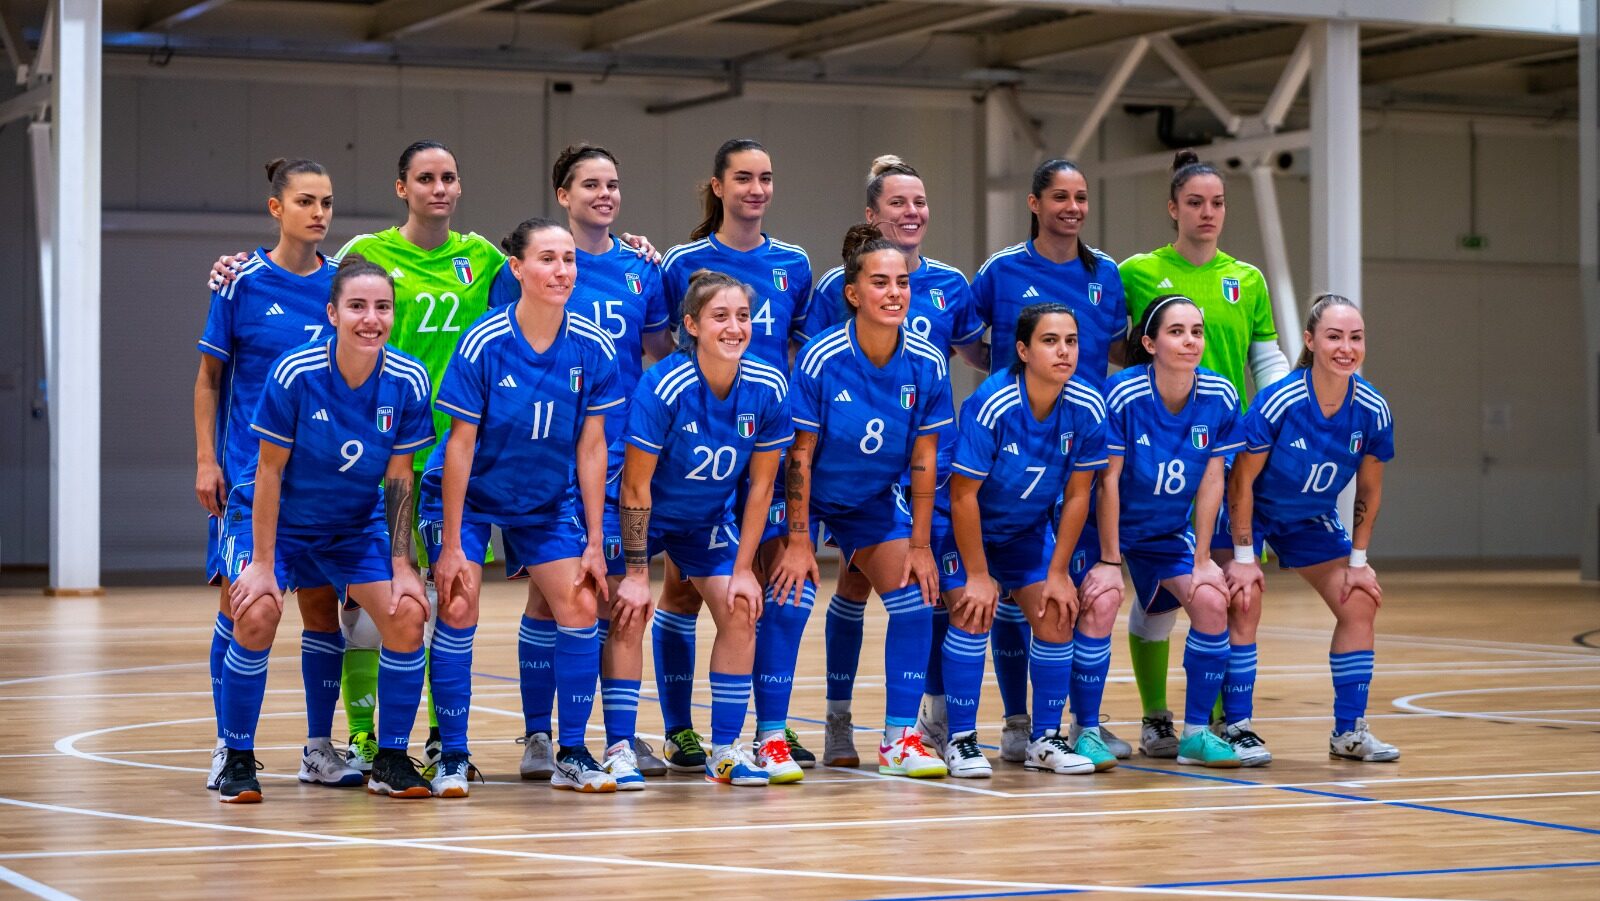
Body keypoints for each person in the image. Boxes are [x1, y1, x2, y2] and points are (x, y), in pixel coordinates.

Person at [218, 257, 436, 802]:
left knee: (407, 615)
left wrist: (402, 565)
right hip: (277, 520)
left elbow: (399, 479)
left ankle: (389, 759)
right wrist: (264, 566)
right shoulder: (296, 374)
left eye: (382, 307)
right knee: (259, 608)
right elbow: (268, 472)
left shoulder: (408, 380)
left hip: (352, 526)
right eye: (357, 307)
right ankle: (237, 758)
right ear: (333, 313)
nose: (371, 319)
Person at [798, 155, 984, 768]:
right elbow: (813, 410)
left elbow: (974, 353)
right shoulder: (832, 311)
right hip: (822, 463)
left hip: (896, 471)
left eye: (920, 201)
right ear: (872, 214)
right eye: (898, 202)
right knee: (806, 591)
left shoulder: (950, 290)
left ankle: (908, 728)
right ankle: (821, 722)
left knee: (916, 588)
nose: (912, 212)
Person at [429, 218, 623, 795]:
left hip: (544, 497)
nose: (561, 270)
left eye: (568, 259)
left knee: (581, 606)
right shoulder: (483, 342)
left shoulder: (592, 345)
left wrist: (593, 540)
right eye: (547, 259)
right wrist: (452, 542)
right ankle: (452, 757)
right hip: (473, 494)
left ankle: (571, 751)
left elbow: (592, 447)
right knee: (459, 603)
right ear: (516, 269)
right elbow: (459, 446)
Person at [194, 158, 362, 792]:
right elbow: (209, 380)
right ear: (277, 208)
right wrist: (206, 459)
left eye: (327, 201)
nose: (319, 212)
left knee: (321, 608)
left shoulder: (341, 287)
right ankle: (228, 748)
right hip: (247, 479)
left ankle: (319, 749)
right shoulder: (241, 282)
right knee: (245, 608)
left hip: (323, 488)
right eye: (306, 201)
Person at [1117, 149, 1291, 759]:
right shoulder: (1137, 271)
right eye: (1195, 202)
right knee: (1159, 596)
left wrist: (1278, 421)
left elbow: (1266, 360)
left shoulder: (1247, 279)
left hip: (1226, 453)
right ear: (1173, 208)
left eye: (1217, 203)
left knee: (1225, 588)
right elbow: (1119, 347)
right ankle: (1156, 718)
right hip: (1155, 453)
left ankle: (1219, 720)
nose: (1208, 212)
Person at [514, 144, 677, 784]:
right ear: (564, 194)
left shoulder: (642, 267)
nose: (604, 195)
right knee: (557, 594)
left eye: (612, 184)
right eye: (590, 184)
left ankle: (617, 738)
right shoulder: (540, 261)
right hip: (553, 447)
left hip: (620, 447)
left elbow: (659, 348)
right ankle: (539, 735)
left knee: (603, 597)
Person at [769, 223, 954, 780]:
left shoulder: (926, 362)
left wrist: (920, 545)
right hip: (805, 491)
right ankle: (771, 738)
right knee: (790, 596)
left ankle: (899, 739)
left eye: (902, 282)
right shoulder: (823, 358)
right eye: (880, 282)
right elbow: (798, 457)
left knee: (915, 596)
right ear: (854, 294)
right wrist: (799, 541)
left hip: (871, 496)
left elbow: (924, 459)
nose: (895, 292)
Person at [653, 138, 815, 775]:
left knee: (771, 589)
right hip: (698, 442)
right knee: (682, 593)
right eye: (743, 178)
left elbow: (798, 348)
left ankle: (767, 730)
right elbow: (665, 345)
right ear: (717, 186)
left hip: (765, 434)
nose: (756, 188)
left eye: (766, 178)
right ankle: (679, 730)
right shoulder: (683, 261)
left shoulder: (795, 263)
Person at [968, 158, 1131, 762]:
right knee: (1016, 589)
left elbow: (1115, 343)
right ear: (1034, 203)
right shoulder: (1002, 269)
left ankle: (1079, 723)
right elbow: (968, 338)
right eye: (1059, 196)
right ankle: (1019, 722)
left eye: (1081, 197)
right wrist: (1016, 388)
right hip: (1018, 443)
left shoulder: (1106, 274)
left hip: (1082, 447)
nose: (1072, 207)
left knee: (1078, 591)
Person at [615, 269, 793, 786]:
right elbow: (634, 487)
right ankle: (621, 747)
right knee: (629, 609)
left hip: (706, 518)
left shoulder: (766, 384)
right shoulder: (665, 384)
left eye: (743, 316)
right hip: (642, 515)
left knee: (741, 605)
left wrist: (743, 569)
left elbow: (760, 488)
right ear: (692, 325)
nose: (734, 327)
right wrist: (633, 570)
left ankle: (726, 748)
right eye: (720, 316)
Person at [1224, 294, 1399, 763]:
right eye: (1334, 336)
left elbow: (1369, 493)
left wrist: (1358, 563)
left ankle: (1350, 732)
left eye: (1355, 338)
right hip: (1253, 510)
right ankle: (1236, 725)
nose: (1346, 347)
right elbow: (1240, 482)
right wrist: (1244, 559)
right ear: (1310, 341)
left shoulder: (1372, 409)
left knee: (1359, 599)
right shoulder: (1282, 400)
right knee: (1245, 598)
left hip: (1309, 517)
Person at [945, 303, 1118, 777]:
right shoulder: (991, 402)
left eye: (1071, 341)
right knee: (973, 610)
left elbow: (1080, 494)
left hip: (1024, 531)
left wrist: (1059, 573)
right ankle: (959, 739)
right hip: (966, 530)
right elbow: (962, 497)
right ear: (1022, 350)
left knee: (1058, 609)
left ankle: (1046, 738)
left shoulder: (1086, 405)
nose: (1064, 350)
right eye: (1049, 341)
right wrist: (978, 575)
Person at [1078, 295, 1245, 768]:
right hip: (1100, 527)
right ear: (1149, 342)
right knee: (1102, 600)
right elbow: (1107, 481)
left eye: (1197, 330)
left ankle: (1193, 733)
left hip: (1165, 530)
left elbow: (1214, 479)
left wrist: (1204, 558)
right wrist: (1110, 562)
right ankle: (1085, 729)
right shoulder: (1122, 394)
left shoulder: (1219, 395)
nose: (1190, 340)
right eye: (1177, 331)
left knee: (1212, 598)